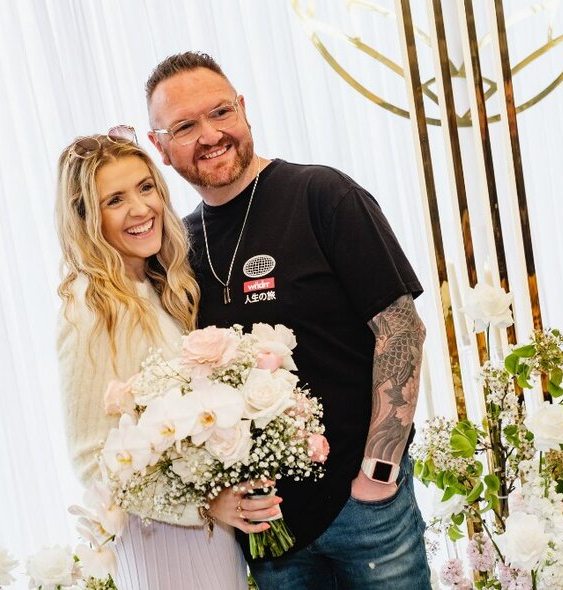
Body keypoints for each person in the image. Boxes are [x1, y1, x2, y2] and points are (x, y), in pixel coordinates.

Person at [145, 52, 431, 589]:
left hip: (364, 509)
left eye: (221, 112)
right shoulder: (177, 250)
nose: (211, 135)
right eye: (185, 126)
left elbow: (401, 329)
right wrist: (216, 500)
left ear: (244, 110)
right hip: (269, 532)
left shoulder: (322, 194)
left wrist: (380, 473)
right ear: (160, 146)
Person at [54, 128, 279, 589]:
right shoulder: (92, 308)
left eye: (146, 187)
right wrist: (201, 506)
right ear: (85, 218)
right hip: (161, 540)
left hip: (203, 537)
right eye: (114, 200)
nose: (140, 209)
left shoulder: (157, 287)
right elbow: (92, 461)